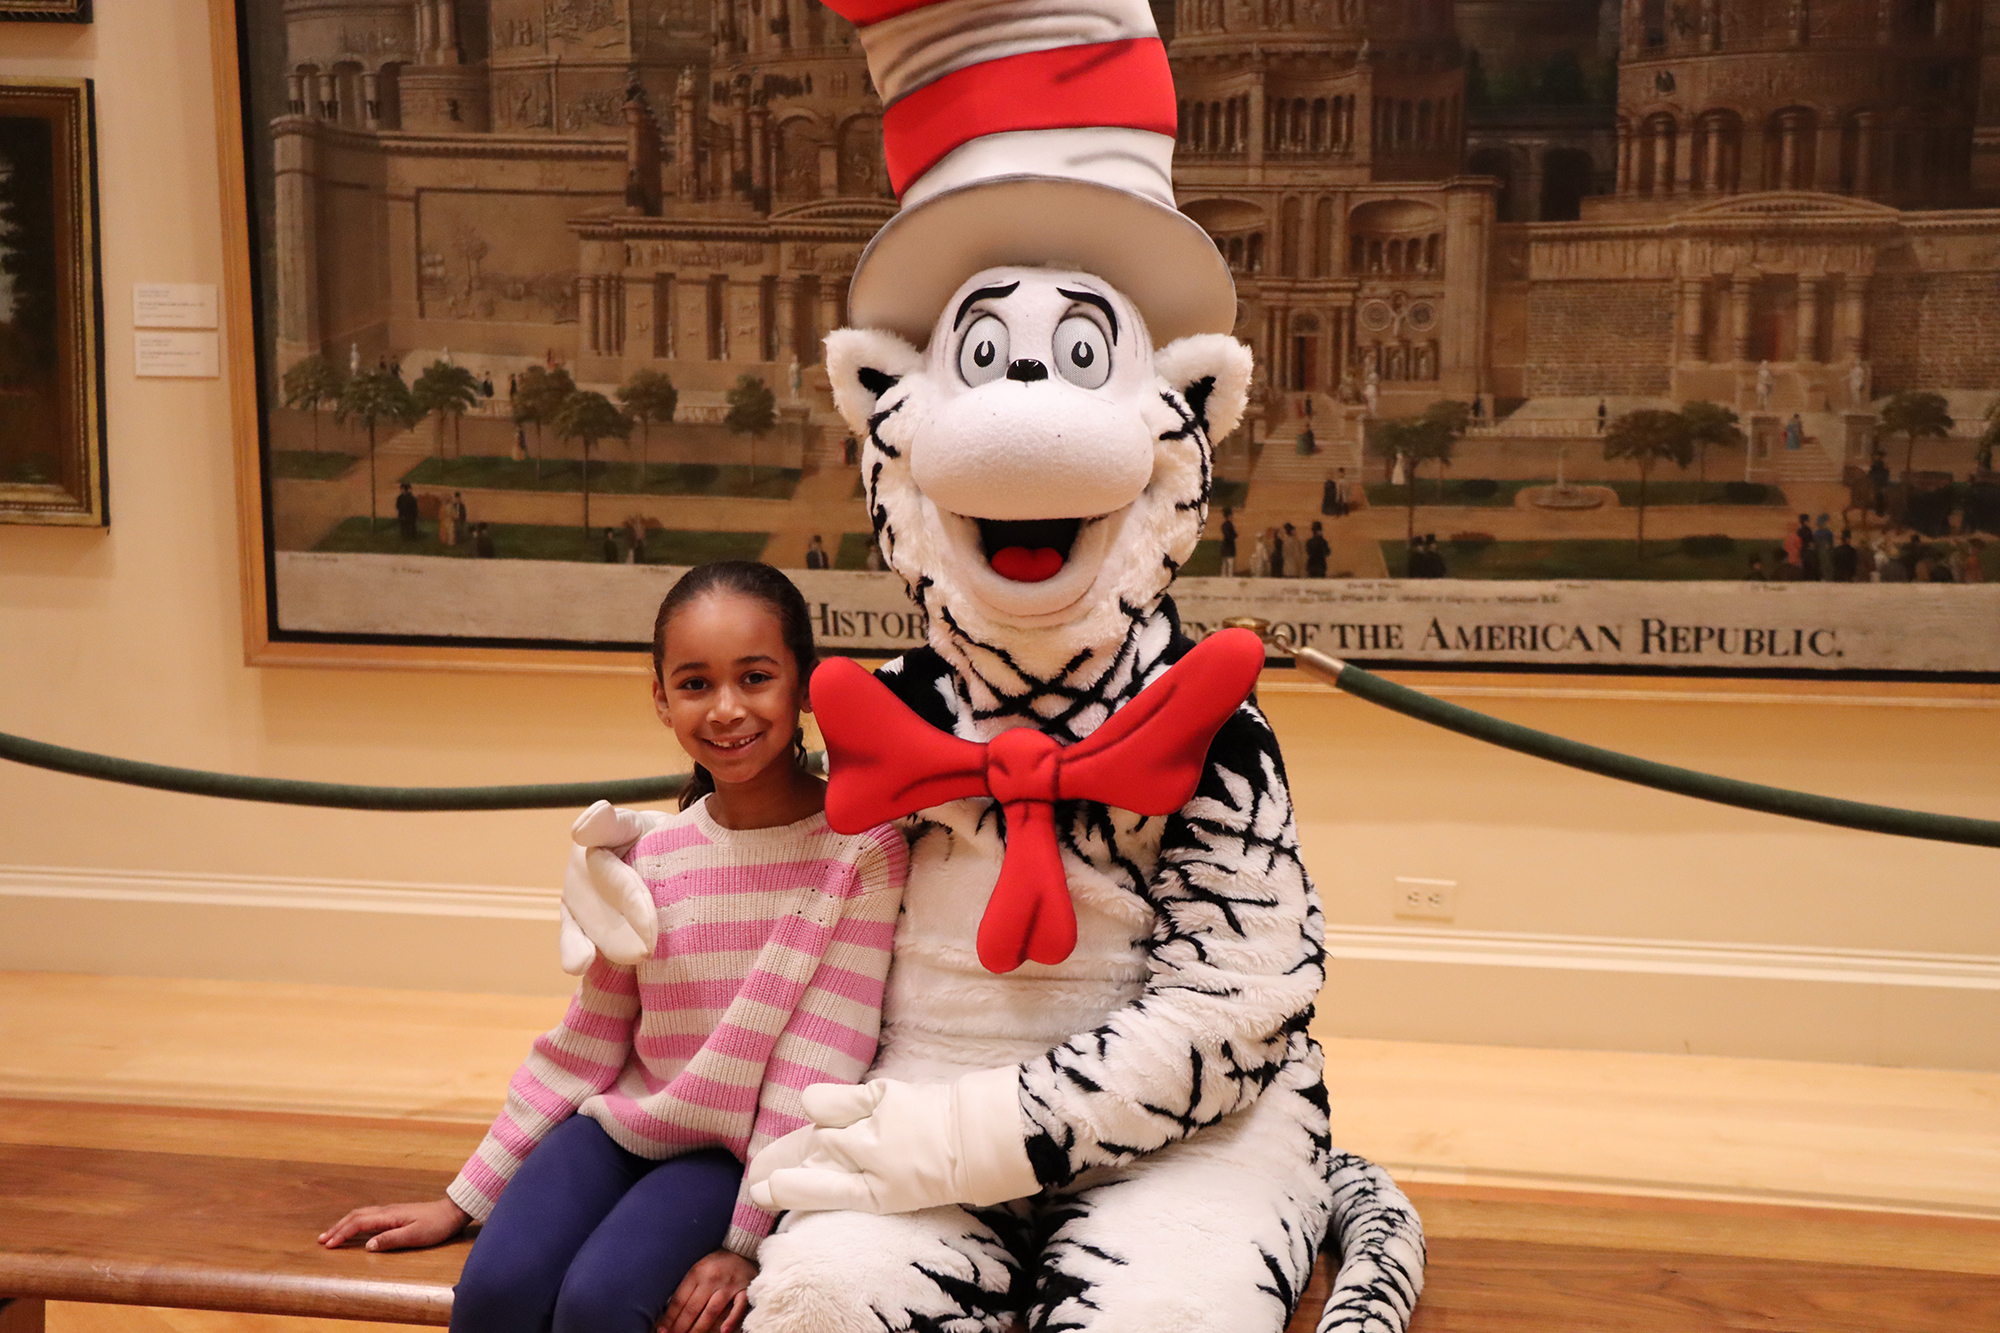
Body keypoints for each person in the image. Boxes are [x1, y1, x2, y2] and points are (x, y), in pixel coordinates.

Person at [319, 562, 907, 1333]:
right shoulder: (644, 856)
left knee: (600, 1304)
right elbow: (583, 1042)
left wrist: (745, 1241)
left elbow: (819, 1063)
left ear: (805, 684)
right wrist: (461, 1197)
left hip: (733, 1156)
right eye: (695, 683)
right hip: (620, 1127)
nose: (727, 708)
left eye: (755, 676)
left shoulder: (862, 851)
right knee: (494, 1292)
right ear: (662, 698)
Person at [1218, 507, 1238, 576]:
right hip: (1230, 546)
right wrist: (1234, 535)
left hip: (1225, 546)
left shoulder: (1223, 525)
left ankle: (1223, 576)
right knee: (1230, 564)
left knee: (1224, 564)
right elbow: (1233, 535)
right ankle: (1229, 576)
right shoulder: (1230, 525)